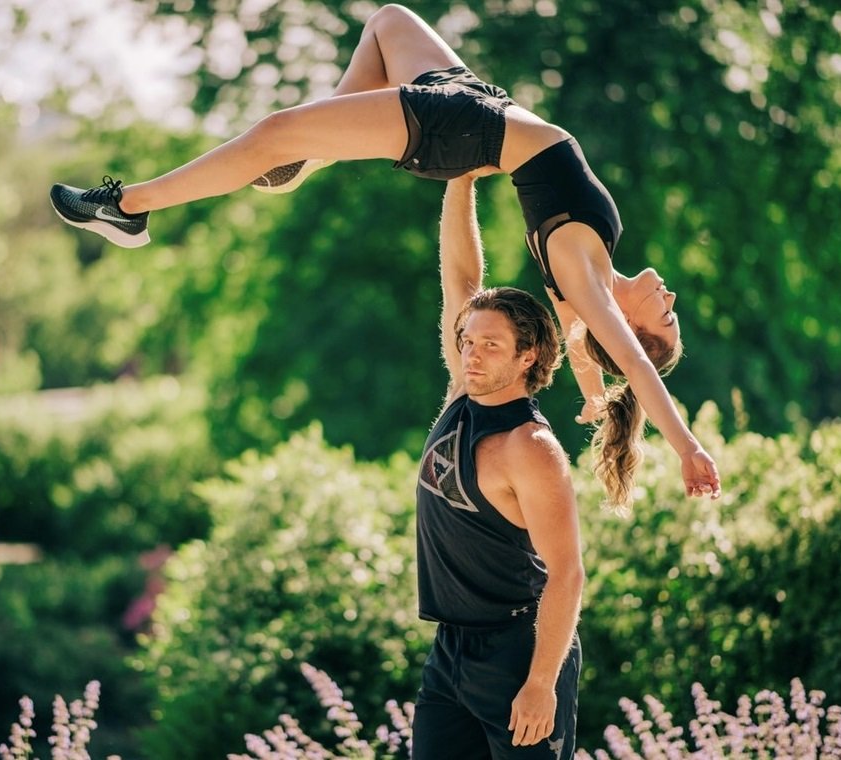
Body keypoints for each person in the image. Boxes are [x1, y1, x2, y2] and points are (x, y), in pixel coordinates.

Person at [49, 3, 721, 510]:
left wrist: (685, 446)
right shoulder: (586, 283)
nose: (671, 299)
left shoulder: (582, 273)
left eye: (666, 316)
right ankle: (308, 157)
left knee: (273, 131)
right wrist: (595, 396)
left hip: (466, 132)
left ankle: (129, 206)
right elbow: (586, 348)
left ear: (628, 326)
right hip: (482, 107)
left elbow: (630, 363)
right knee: (388, 23)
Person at [412, 172, 582, 758]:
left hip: (520, 652)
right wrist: (460, 179)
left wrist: (541, 683)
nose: (472, 354)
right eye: (468, 341)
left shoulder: (530, 448)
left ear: (527, 355)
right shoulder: (463, 393)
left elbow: (567, 572)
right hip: (450, 651)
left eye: (491, 345)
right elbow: (461, 277)